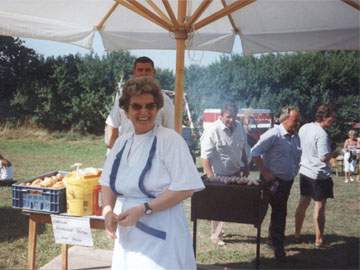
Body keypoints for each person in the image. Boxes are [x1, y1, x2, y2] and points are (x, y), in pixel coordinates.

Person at [100, 77, 204, 270]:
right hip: (128, 234)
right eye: (136, 107)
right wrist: (107, 212)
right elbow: (107, 182)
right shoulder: (122, 142)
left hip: (162, 231)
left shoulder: (170, 140)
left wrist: (144, 209)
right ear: (126, 111)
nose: (144, 112)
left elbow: (185, 188)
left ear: (158, 108)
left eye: (150, 106)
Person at [251, 106, 301, 259]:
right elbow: (254, 152)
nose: (297, 123)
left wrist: (293, 172)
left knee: (280, 212)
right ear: (285, 119)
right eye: (295, 120)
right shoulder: (274, 134)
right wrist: (265, 173)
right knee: (264, 211)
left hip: (286, 181)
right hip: (271, 181)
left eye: (298, 120)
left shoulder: (295, 136)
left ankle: (276, 243)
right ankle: (271, 246)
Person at [200, 102, 249, 246]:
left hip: (235, 172)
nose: (231, 120)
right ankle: (215, 236)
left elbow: (243, 149)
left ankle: (218, 229)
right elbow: (205, 158)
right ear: (221, 116)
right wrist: (211, 178)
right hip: (218, 175)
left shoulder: (239, 127)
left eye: (233, 117)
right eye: (228, 117)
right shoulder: (212, 130)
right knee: (219, 205)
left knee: (229, 205)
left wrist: (245, 166)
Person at [105, 56, 175, 150]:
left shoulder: (164, 100)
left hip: (153, 155)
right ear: (134, 73)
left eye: (147, 70)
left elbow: (171, 131)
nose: (144, 73)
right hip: (126, 153)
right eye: (140, 70)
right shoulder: (124, 97)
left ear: (153, 73)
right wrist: (116, 151)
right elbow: (112, 125)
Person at [294, 104, 336, 249]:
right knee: (319, 208)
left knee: (303, 203)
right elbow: (324, 158)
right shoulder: (322, 134)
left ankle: (297, 234)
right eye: (332, 118)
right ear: (324, 117)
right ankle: (319, 240)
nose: (333, 121)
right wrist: (334, 151)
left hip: (305, 172)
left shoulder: (304, 127)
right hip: (319, 175)